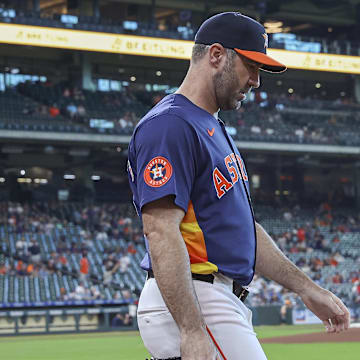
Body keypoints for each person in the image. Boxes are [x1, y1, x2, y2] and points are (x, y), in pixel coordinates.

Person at [127, 12, 350, 360]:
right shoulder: (171, 125)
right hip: (197, 299)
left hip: (217, 298)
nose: (256, 81)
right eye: (251, 66)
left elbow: (245, 230)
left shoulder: (210, 126)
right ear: (216, 55)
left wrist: (307, 288)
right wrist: (191, 328)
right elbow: (159, 230)